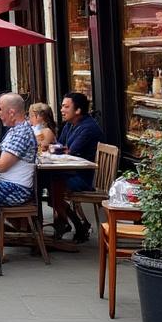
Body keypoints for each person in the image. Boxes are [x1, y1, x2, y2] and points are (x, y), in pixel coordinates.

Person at [47, 92, 103, 242]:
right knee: (47, 182)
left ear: (78, 110)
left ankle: (75, 224)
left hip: (85, 177)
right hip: (70, 172)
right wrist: (58, 148)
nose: (61, 110)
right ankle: (69, 223)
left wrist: (59, 149)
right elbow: (59, 146)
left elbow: (69, 151)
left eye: (66, 106)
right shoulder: (70, 125)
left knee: (52, 184)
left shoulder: (88, 128)